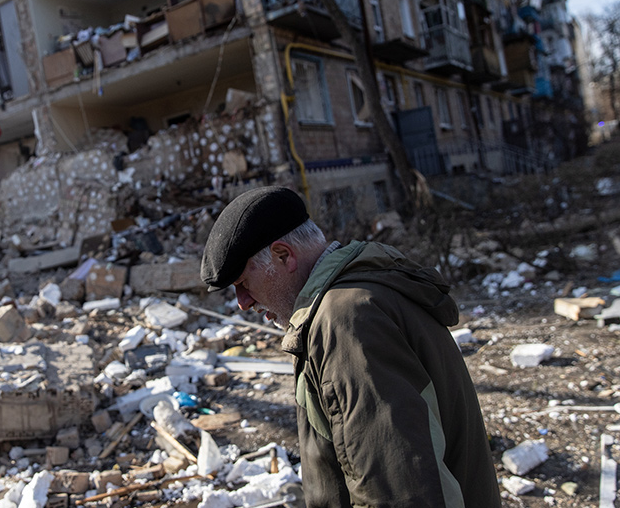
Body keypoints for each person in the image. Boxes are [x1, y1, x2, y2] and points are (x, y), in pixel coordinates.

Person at [200, 186, 500, 508]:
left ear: (284, 255)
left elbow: (397, 491)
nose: (243, 303)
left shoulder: (346, 320)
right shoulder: (361, 296)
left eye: (244, 283)